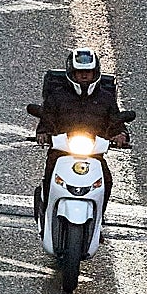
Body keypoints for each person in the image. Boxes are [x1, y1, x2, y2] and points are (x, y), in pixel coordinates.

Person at [33, 48, 129, 215]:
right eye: (80, 73)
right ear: (72, 73)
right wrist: (43, 133)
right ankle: (47, 211)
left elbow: (115, 121)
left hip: (93, 154)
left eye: (88, 72)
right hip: (60, 153)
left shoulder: (106, 98)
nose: (84, 76)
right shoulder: (56, 96)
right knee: (49, 177)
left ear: (95, 73)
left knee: (107, 181)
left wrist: (121, 134)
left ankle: (99, 218)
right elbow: (46, 119)